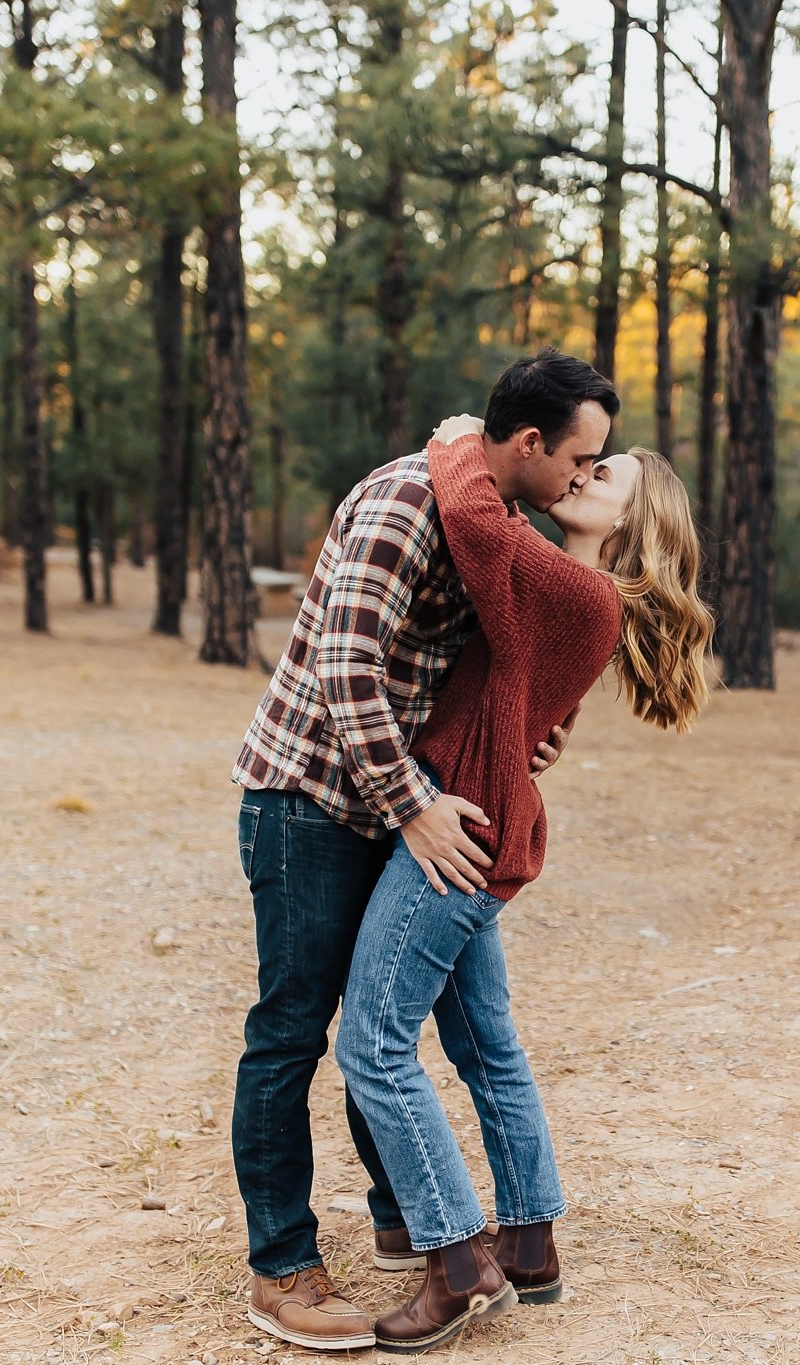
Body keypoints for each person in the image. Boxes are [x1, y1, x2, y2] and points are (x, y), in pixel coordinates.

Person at [229, 351, 619, 1352]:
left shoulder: (502, 532)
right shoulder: (410, 501)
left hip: (409, 806)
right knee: (292, 1030)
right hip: (315, 796)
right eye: (579, 459)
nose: (582, 478)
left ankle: (409, 1219)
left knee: (381, 1013)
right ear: (527, 444)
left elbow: (504, 676)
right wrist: (414, 805)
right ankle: (281, 1266)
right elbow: (344, 672)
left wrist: (523, 738)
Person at [336, 422, 712, 1354]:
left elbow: (472, 516)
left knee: (374, 1043)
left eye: (605, 471)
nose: (584, 472)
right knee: (484, 1041)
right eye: (586, 460)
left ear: (635, 518)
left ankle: (459, 1262)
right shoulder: (573, 585)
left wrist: (460, 438)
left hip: (463, 838)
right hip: (493, 819)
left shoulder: (579, 588)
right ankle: (531, 1238)